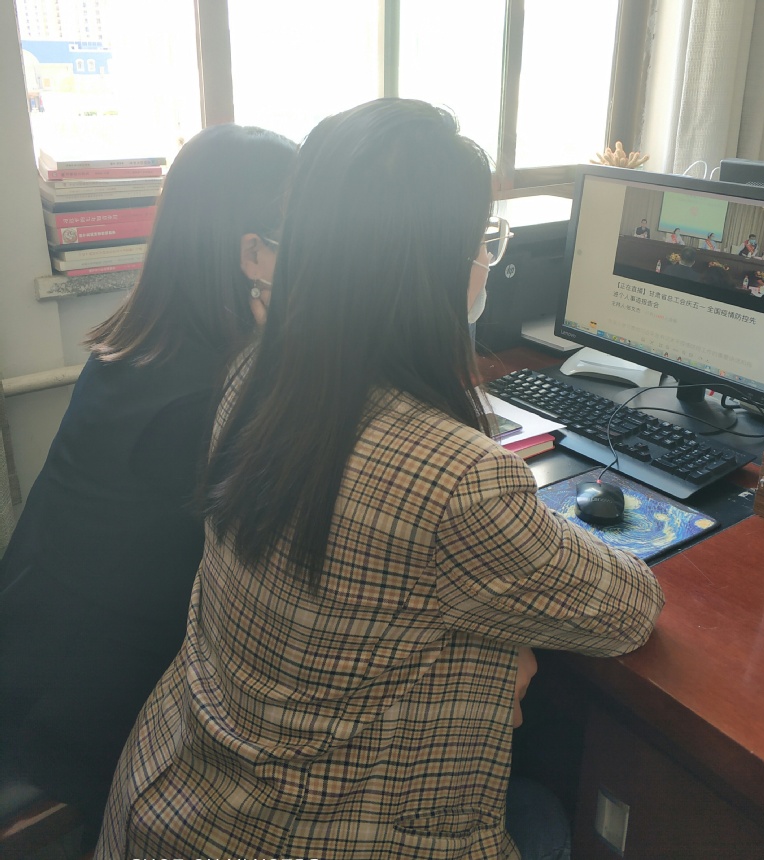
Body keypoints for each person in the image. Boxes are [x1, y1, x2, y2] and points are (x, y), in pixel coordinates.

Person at [97, 99, 664, 860]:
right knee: (552, 818)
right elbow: (626, 611)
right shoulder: (457, 479)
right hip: (319, 836)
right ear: (435, 269)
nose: (486, 261)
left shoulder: (251, 377)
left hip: (175, 800)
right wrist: (508, 639)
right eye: (482, 242)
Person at [0, 123, 297, 846]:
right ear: (251, 252)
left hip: (32, 656)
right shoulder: (210, 397)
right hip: (98, 713)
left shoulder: (137, 346)